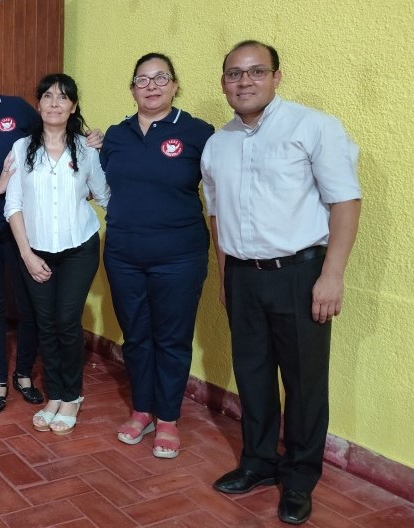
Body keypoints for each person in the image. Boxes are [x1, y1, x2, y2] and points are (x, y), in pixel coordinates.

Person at [201, 40, 361, 525]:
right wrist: (226, 275)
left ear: (276, 76)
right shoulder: (217, 143)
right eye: (233, 74)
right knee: (252, 377)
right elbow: (216, 214)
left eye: (255, 72)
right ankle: (258, 462)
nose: (243, 82)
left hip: (300, 274)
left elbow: (346, 202)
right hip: (244, 277)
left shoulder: (313, 127)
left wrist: (331, 274)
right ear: (223, 81)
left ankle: (299, 477)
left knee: (305, 382)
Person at [0, 49, 101, 413]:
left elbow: (57, 127)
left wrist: (91, 140)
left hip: (25, 225)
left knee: (29, 304)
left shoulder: (15, 109)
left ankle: (24, 373)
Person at [100, 53, 213, 457]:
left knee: (172, 338)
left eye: (160, 78)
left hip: (180, 257)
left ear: (175, 85)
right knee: (136, 337)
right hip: (123, 255)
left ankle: (168, 418)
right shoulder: (115, 135)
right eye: (142, 80)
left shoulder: (199, 132)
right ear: (132, 89)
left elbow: (218, 194)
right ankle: (142, 410)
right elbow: (97, 183)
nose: (151, 86)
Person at [5, 74, 109, 435]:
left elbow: (104, 195)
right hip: (36, 251)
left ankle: (72, 396)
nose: (54, 103)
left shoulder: (86, 149)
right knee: (45, 324)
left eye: (62, 98)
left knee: (66, 321)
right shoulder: (21, 149)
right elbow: (13, 205)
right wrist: (27, 256)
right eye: (47, 96)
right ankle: (55, 395)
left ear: (73, 106)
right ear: (39, 104)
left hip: (79, 248)